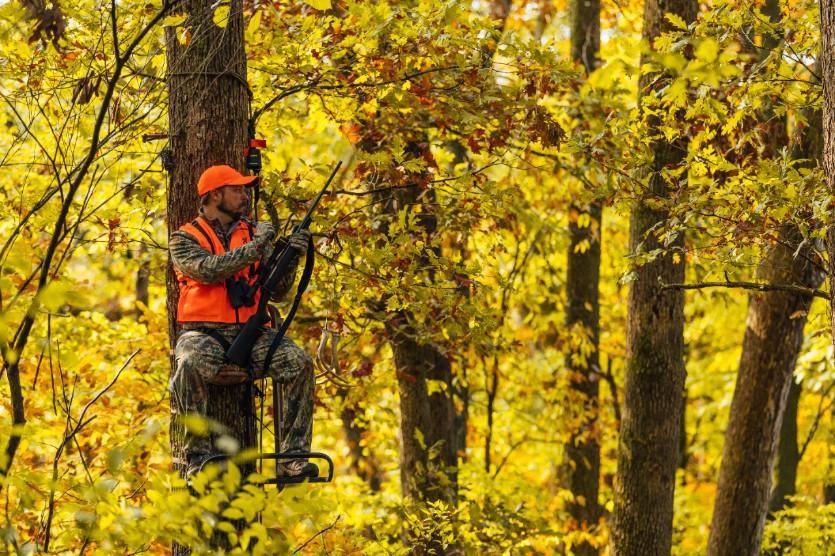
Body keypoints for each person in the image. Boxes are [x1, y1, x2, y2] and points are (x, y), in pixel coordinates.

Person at [169, 164, 317, 479]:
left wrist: (293, 257)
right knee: (188, 364)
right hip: (203, 336)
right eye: (236, 190)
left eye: (244, 189)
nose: (244, 195)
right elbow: (208, 270)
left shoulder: (253, 233)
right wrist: (257, 247)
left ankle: (293, 459)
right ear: (214, 195)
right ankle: (196, 459)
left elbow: (279, 291)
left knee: (300, 362)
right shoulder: (183, 238)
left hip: (253, 335)